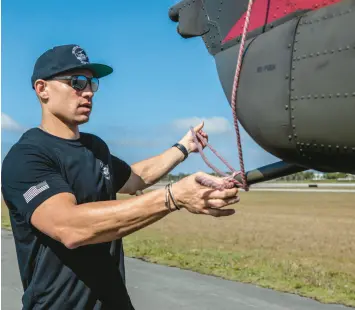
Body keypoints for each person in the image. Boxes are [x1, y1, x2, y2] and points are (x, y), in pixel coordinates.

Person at [1, 44, 240, 310]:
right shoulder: (26, 157)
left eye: (92, 83)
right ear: (42, 89)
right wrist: (173, 197)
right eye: (76, 82)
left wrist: (184, 148)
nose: (88, 92)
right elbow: (68, 227)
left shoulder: (95, 149)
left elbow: (136, 178)